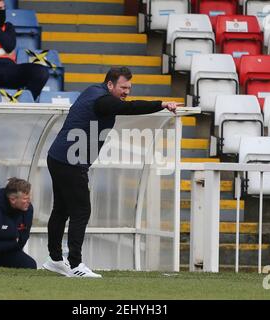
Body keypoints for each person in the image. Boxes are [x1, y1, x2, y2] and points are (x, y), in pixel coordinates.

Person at [43, 66, 181, 277]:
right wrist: (162, 104)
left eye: (129, 88)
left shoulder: (92, 90)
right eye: (123, 87)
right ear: (110, 85)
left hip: (58, 157)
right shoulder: (103, 101)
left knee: (61, 209)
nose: (127, 92)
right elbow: (132, 108)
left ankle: (54, 260)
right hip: (70, 162)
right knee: (81, 211)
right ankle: (75, 264)